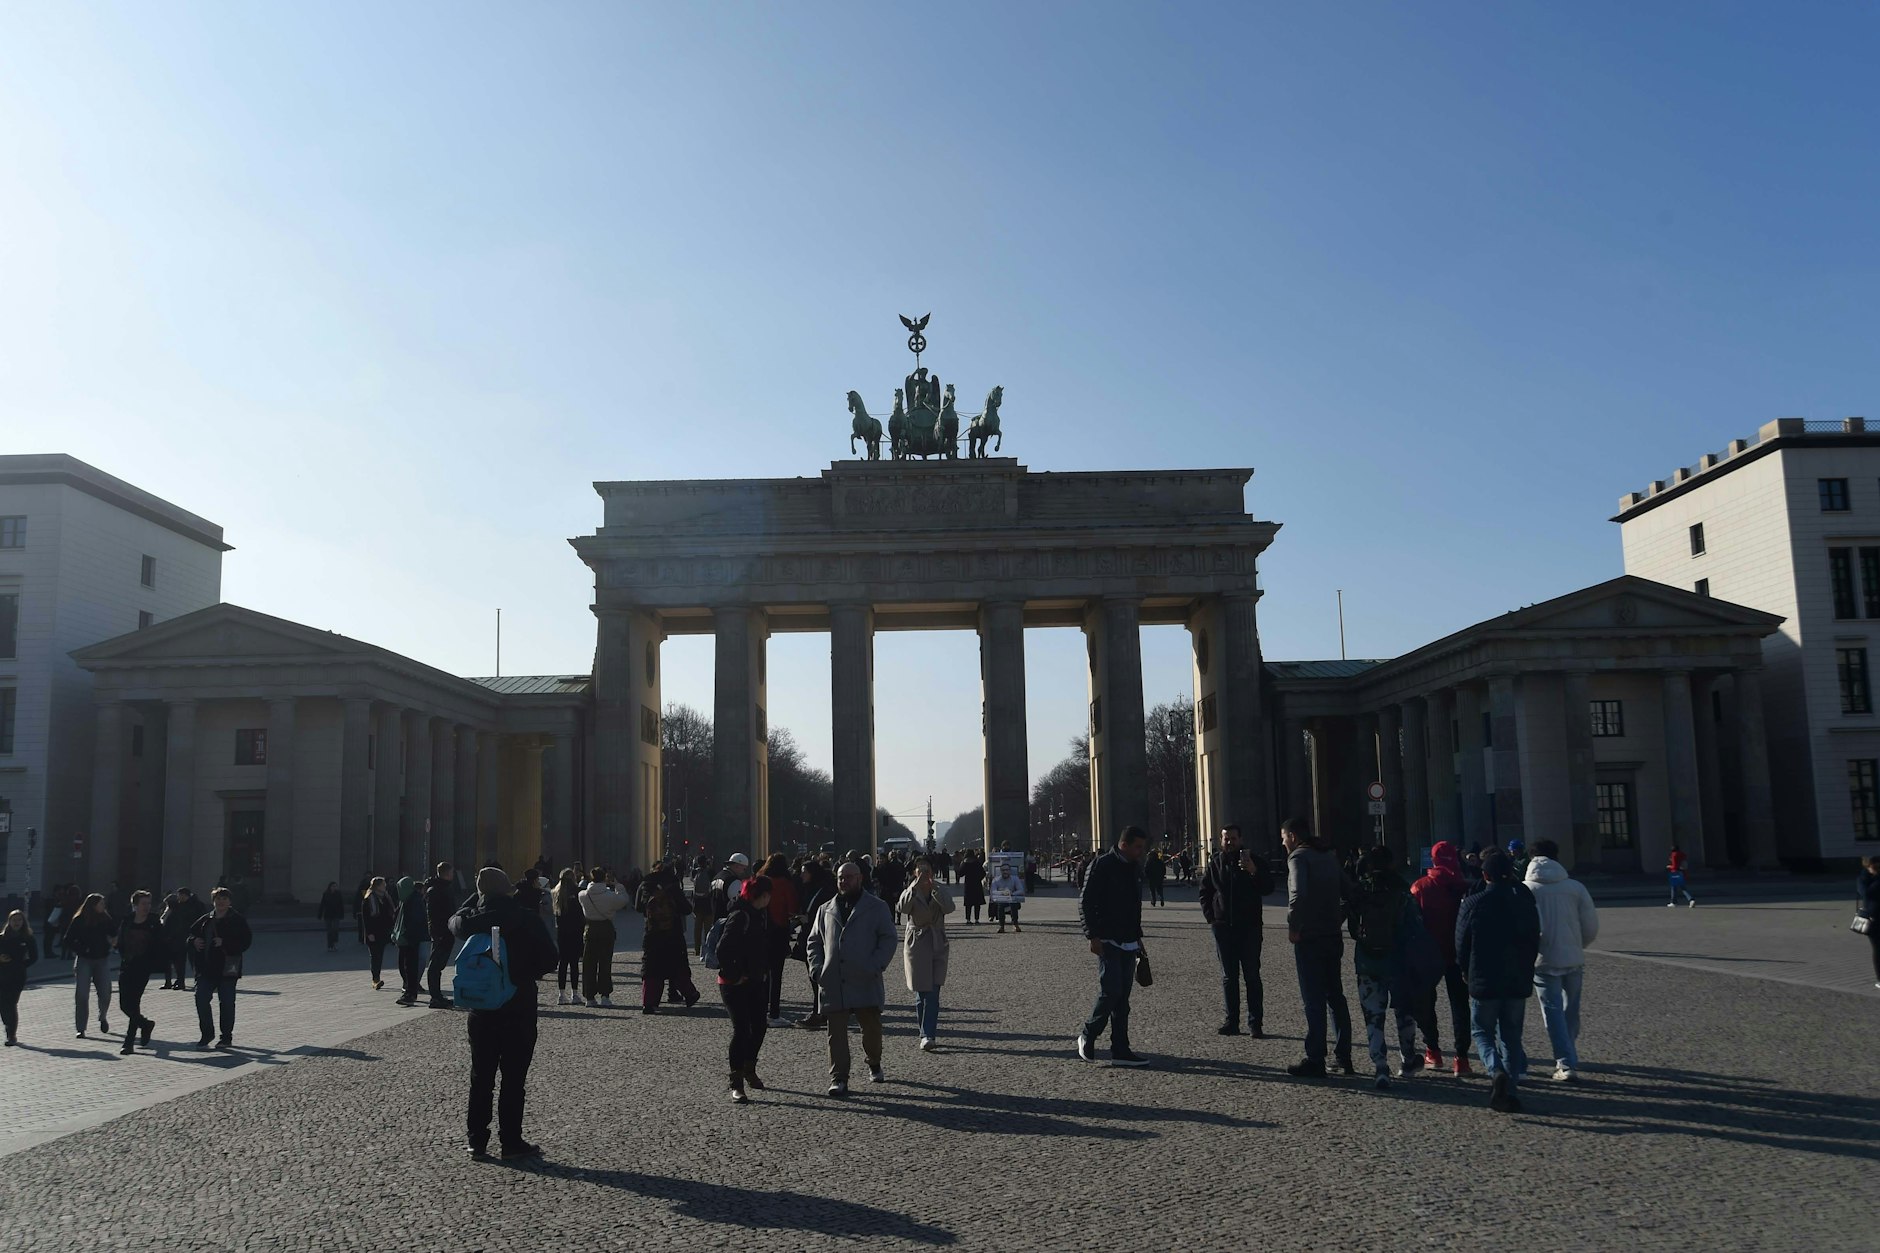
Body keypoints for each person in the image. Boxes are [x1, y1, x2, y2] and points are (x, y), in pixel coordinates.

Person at [450, 867, 557, 1159]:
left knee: (480, 1077)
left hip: (482, 1009)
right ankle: (511, 1142)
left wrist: (478, 897)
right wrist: (521, 974)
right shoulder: (526, 919)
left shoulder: (471, 922)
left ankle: (476, 1140)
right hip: (518, 1005)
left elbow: (455, 919)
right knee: (513, 1079)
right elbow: (550, 959)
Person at [1456, 850, 1541, 1113]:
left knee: (1482, 1031)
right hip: (1517, 980)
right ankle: (1510, 1088)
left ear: (1484, 875)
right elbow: (1534, 940)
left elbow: (1460, 943)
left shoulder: (1474, 903)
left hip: (1484, 979)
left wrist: (1464, 971)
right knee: (1512, 1036)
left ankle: (1495, 1071)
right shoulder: (1525, 902)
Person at [806, 861, 898, 1097]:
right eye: (840, 878)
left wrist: (876, 965)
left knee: (871, 1030)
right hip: (833, 979)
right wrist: (817, 969)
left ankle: (874, 1061)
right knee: (835, 1033)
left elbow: (888, 938)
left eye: (848, 877)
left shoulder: (876, 907)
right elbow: (814, 941)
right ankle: (839, 1077)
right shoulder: (825, 909)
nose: (843, 881)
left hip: (865, 977)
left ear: (859, 878)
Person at [1346, 845, 1429, 1089]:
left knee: (1373, 1015)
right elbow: (1415, 925)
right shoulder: (1403, 889)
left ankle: (1380, 1065)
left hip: (1367, 960)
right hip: (1398, 960)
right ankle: (1407, 1059)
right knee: (1404, 1011)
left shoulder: (1361, 889)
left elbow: (1352, 926)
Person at [1282, 818, 1355, 1078]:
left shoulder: (1298, 858)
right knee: (1335, 996)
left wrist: (1294, 925)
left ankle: (1315, 1058)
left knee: (1313, 999)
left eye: (1283, 838)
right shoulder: (1328, 857)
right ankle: (1343, 1057)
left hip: (1310, 937)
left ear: (1292, 836)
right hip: (1332, 935)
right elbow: (1350, 891)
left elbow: (1297, 895)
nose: (1283, 843)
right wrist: (1338, 917)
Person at [1076, 825, 1151, 1067]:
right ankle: (1088, 1034)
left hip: (1128, 939)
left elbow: (1133, 906)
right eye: (1138, 847)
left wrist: (1138, 937)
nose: (1141, 851)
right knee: (1111, 991)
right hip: (1107, 938)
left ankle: (1120, 1048)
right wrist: (1092, 936)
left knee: (1123, 998)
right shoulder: (1101, 864)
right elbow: (1085, 901)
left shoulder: (1134, 867)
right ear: (1124, 845)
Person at [1525, 839, 1600, 1083]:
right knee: (1571, 1011)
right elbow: (1590, 926)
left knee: (1553, 1013)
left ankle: (1566, 1062)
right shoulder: (1575, 887)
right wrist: (1578, 946)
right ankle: (1569, 1055)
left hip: (1542, 960)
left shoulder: (1526, 889)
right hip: (1573, 957)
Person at [1199, 824, 1273, 1038]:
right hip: (1223, 928)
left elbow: (1267, 888)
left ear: (1241, 839)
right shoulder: (1216, 863)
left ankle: (1255, 1023)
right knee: (1229, 977)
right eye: (1225, 839)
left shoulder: (1255, 861)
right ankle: (1232, 1021)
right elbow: (1205, 891)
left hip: (1249, 927)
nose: (1229, 842)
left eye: (1233, 838)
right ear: (1220, 841)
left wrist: (1253, 871)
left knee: (1252, 976)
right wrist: (1211, 918)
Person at [1410, 840, 1472, 1075]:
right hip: (1457, 954)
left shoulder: (1420, 887)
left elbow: (1413, 924)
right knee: (1460, 1006)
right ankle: (1462, 1058)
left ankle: (1433, 1050)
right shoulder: (1465, 887)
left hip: (1429, 954)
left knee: (1425, 1002)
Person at [715, 874, 773, 1103]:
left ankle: (749, 1067)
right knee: (741, 1030)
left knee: (759, 1026)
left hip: (756, 981)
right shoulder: (740, 916)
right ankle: (736, 1081)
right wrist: (735, 975)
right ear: (764, 895)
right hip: (734, 984)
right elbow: (723, 949)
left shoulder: (760, 914)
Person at [897, 858, 954, 1051]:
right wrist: (914, 888)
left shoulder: (939, 889)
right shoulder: (910, 891)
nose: (923, 873)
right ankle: (924, 1032)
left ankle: (928, 1033)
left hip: (937, 941)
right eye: (920, 870)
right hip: (917, 942)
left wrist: (935, 890)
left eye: (927, 870)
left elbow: (949, 907)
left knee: (934, 991)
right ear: (914, 872)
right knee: (921, 991)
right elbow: (902, 908)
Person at [189, 887, 253, 1050]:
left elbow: (246, 942)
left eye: (224, 899)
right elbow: (190, 935)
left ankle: (226, 1037)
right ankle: (207, 1033)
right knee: (201, 998)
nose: (221, 902)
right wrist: (193, 941)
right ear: (213, 901)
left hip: (227, 968)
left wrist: (225, 943)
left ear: (229, 901)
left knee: (226, 1003)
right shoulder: (205, 919)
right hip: (206, 968)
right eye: (218, 899)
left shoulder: (237, 920)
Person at [635, 861, 699, 1013]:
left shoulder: (645, 885)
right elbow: (686, 909)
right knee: (678, 966)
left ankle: (649, 1002)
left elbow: (638, 907)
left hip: (652, 933)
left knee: (651, 968)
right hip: (673, 933)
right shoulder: (672, 885)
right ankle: (689, 994)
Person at [64, 893, 118, 1040]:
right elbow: (68, 939)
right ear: (93, 905)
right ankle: (81, 1028)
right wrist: (82, 949)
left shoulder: (106, 919)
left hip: (102, 959)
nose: (103, 906)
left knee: (106, 992)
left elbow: (114, 933)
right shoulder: (80, 920)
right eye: (101, 903)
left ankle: (102, 1016)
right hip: (84, 960)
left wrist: (113, 942)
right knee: (82, 995)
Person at [116, 890, 163, 1054]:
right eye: (143, 904)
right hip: (126, 965)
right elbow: (120, 940)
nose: (147, 907)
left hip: (143, 967)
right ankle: (145, 1024)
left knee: (134, 1003)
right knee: (124, 1005)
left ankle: (128, 1042)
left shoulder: (154, 921)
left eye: (149, 903)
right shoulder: (127, 920)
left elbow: (160, 942)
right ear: (134, 905)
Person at [757, 854, 800, 1027]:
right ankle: (773, 1013)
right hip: (778, 930)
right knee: (776, 974)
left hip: (760, 931)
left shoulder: (760, 880)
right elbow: (792, 909)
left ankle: (759, 1010)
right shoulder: (784, 884)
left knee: (761, 973)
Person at [578, 867, 630, 1008]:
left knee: (589, 964)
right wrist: (618, 886)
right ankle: (605, 995)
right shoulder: (610, 896)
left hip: (590, 929)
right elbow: (624, 900)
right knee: (605, 963)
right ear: (604, 879)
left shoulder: (583, 895)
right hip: (606, 928)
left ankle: (589, 997)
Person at [0, 910, 38, 1047]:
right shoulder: (2, 937)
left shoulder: (28, 938)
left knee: (11, 1003)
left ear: (23, 922)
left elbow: (34, 957)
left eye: (19, 920)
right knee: (3, 1004)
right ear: (9, 922)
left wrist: (21, 965)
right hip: (2, 975)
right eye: (14, 920)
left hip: (17, 976)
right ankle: (7, 1025)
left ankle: (12, 1035)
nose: (16, 923)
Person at [423, 863, 458, 1008]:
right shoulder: (436, 890)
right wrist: (438, 932)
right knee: (435, 965)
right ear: (447, 873)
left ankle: (437, 996)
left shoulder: (442, 888)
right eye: (451, 873)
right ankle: (435, 997)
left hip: (445, 931)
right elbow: (433, 914)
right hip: (441, 932)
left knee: (439, 964)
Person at [391, 876, 429, 1007]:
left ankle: (410, 993)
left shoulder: (413, 900)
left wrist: (407, 936)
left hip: (411, 939)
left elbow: (415, 921)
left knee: (411, 966)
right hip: (408, 939)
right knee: (407, 966)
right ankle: (409, 991)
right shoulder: (407, 899)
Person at [550, 868, 585, 1005]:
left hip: (561, 932)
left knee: (563, 963)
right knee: (574, 963)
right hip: (575, 931)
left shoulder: (556, 893)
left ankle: (561, 994)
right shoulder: (577, 892)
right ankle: (575, 994)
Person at [159, 888, 203, 990]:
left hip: (190, 936)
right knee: (178, 961)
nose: (179, 898)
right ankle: (179, 981)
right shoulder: (178, 907)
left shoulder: (195, 905)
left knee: (193, 961)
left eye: (181, 895)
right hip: (178, 938)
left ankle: (197, 981)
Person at [361, 878, 395, 990]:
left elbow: (390, 912)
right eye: (383, 884)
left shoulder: (385, 897)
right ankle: (375, 979)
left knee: (379, 956)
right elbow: (366, 918)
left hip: (383, 931)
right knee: (375, 956)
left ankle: (376, 977)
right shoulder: (369, 898)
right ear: (377, 886)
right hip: (373, 932)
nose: (385, 886)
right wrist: (369, 933)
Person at [1857, 855, 1880, 989]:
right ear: (1867, 866)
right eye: (1875, 866)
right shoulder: (1863, 879)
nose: (1878, 868)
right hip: (1873, 919)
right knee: (1878, 949)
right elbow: (1866, 893)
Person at [316, 882, 345, 951]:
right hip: (328, 914)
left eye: (335, 886)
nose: (334, 888)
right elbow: (322, 905)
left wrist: (341, 914)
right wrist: (320, 914)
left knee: (335, 929)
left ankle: (334, 943)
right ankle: (330, 945)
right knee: (329, 931)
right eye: (333, 886)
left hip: (336, 914)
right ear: (330, 887)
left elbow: (341, 905)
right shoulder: (326, 894)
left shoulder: (338, 894)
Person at [959, 851, 986, 924]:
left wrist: (962, 864)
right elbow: (983, 873)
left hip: (968, 885)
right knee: (977, 903)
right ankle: (977, 919)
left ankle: (968, 919)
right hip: (977, 884)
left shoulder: (965, 863)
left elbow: (960, 873)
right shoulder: (977, 863)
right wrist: (978, 878)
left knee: (968, 904)